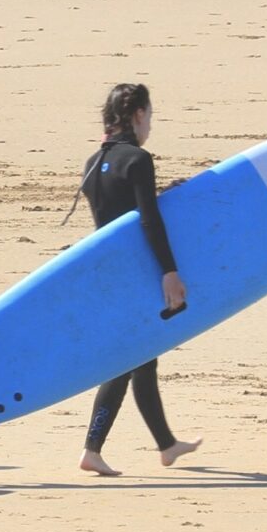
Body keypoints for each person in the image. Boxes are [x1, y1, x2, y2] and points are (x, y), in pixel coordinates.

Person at [75, 83, 200, 478]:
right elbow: (147, 220)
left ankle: (166, 445)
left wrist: (161, 195)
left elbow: (118, 215)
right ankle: (92, 449)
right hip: (139, 275)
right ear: (139, 115)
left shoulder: (94, 161)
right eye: (151, 116)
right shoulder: (139, 159)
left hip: (109, 276)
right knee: (129, 360)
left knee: (142, 358)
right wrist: (169, 271)